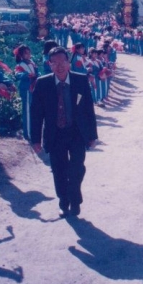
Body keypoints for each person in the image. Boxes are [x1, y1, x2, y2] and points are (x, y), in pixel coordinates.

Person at [30, 46, 98, 218]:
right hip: (55, 134)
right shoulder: (43, 83)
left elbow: (88, 109)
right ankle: (64, 202)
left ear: (69, 63)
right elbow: (36, 114)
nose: (59, 66)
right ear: (50, 64)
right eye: (55, 63)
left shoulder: (80, 81)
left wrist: (92, 136)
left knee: (76, 169)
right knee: (59, 170)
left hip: (76, 132)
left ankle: (75, 200)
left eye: (63, 62)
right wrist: (36, 139)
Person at [14, 44, 39, 141]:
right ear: (21, 55)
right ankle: (28, 133)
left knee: (33, 110)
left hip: (34, 88)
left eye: (29, 53)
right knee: (27, 111)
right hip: (26, 88)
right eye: (26, 53)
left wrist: (37, 74)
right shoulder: (20, 65)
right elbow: (18, 75)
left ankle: (33, 130)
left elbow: (37, 72)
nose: (28, 55)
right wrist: (27, 75)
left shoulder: (32, 62)